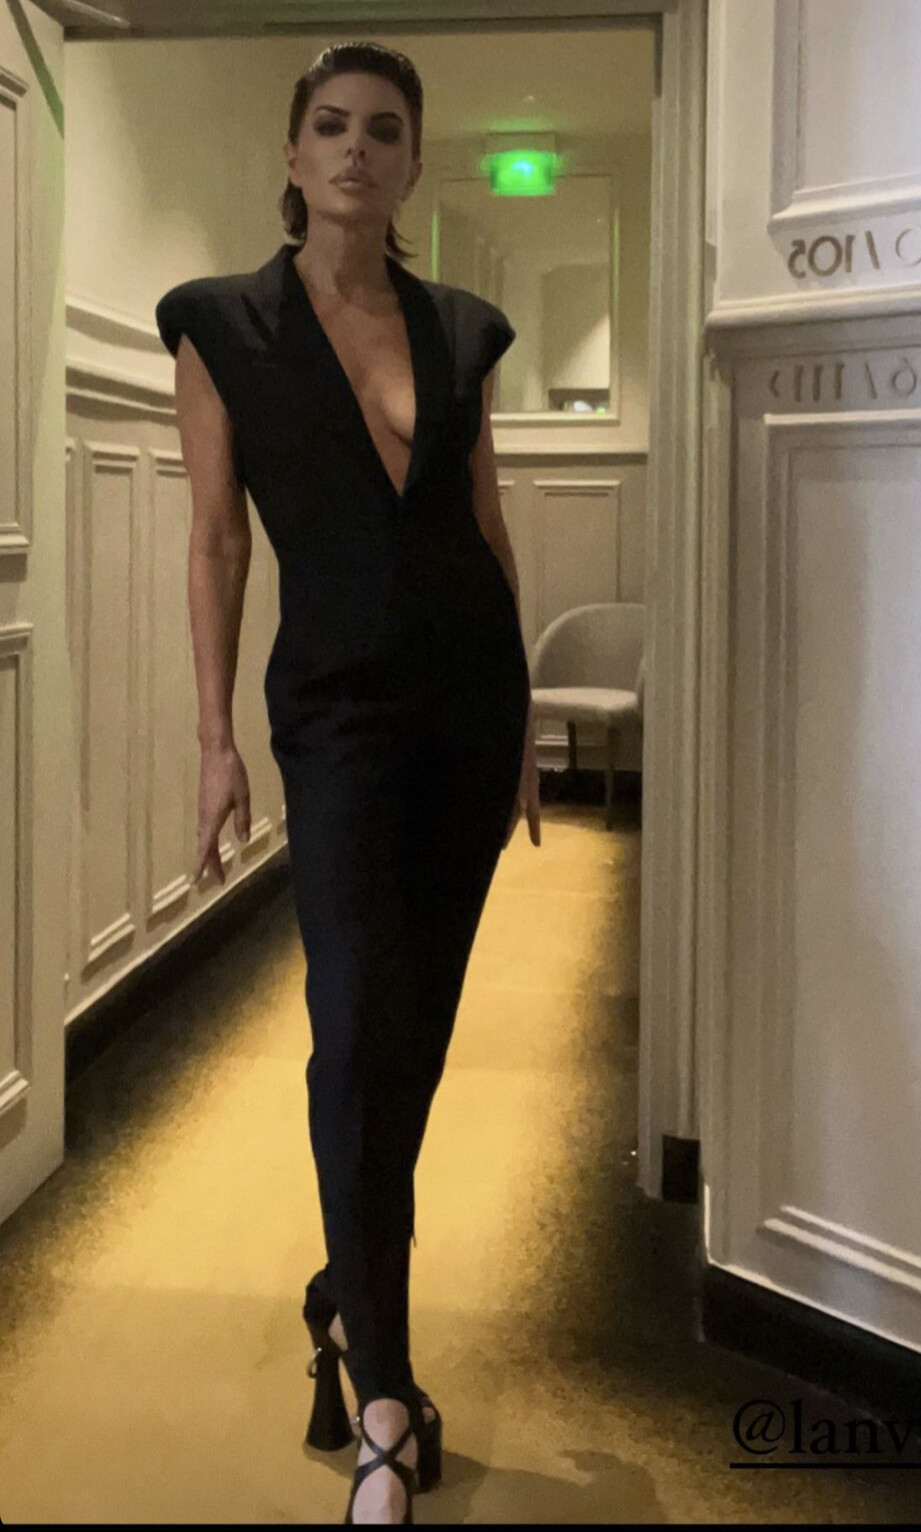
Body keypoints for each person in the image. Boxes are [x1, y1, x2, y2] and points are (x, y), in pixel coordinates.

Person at [154, 41, 541, 1525]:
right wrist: (214, 740)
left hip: (467, 710)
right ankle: (385, 1399)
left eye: (386, 130)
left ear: (414, 164)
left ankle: (343, 1297)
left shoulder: (461, 329)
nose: (358, 150)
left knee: (413, 1046)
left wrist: (523, 719)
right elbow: (216, 540)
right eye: (333, 126)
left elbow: (487, 525)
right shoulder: (224, 325)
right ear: (295, 154)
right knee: (351, 1032)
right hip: (336, 723)